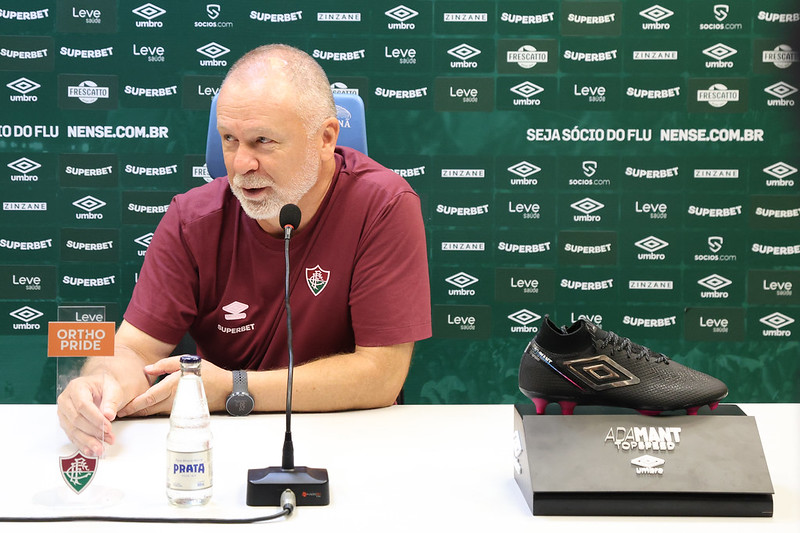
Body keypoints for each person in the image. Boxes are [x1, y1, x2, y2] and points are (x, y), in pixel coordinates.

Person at [57, 44, 432, 457]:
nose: (240, 164)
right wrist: (101, 382)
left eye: (262, 141)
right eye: (229, 139)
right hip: (221, 445)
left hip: (354, 438)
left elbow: (380, 376)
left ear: (326, 138)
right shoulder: (192, 219)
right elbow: (133, 350)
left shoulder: (384, 205)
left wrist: (233, 389)